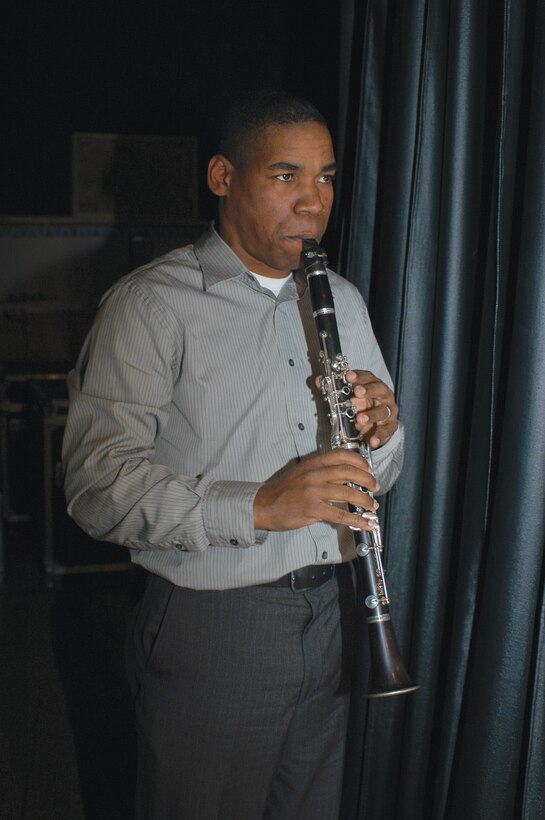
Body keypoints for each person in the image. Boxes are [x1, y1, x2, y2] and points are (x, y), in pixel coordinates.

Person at [62, 89, 404, 820]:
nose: (313, 201)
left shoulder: (341, 299)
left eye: (326, 177)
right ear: (223, 177)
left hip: (335, 613)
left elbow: (379, 471)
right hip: (216, 622)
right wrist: (257, 505)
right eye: (285, 176)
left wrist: (383, 434)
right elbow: (95, 485)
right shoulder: (151, 305)